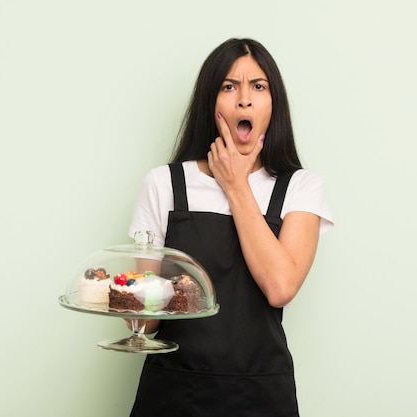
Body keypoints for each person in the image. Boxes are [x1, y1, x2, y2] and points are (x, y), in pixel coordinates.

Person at [127, 38, 333, 417]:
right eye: (228, 86)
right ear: (211, 101)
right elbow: (146, 322)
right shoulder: (164, 184)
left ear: (275, 104)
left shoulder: (300, 187)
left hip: (262, 393)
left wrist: (236, 185)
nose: (244, 100)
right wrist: (125, 298)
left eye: (258, 86)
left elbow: (280, 287)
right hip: (172, 391)